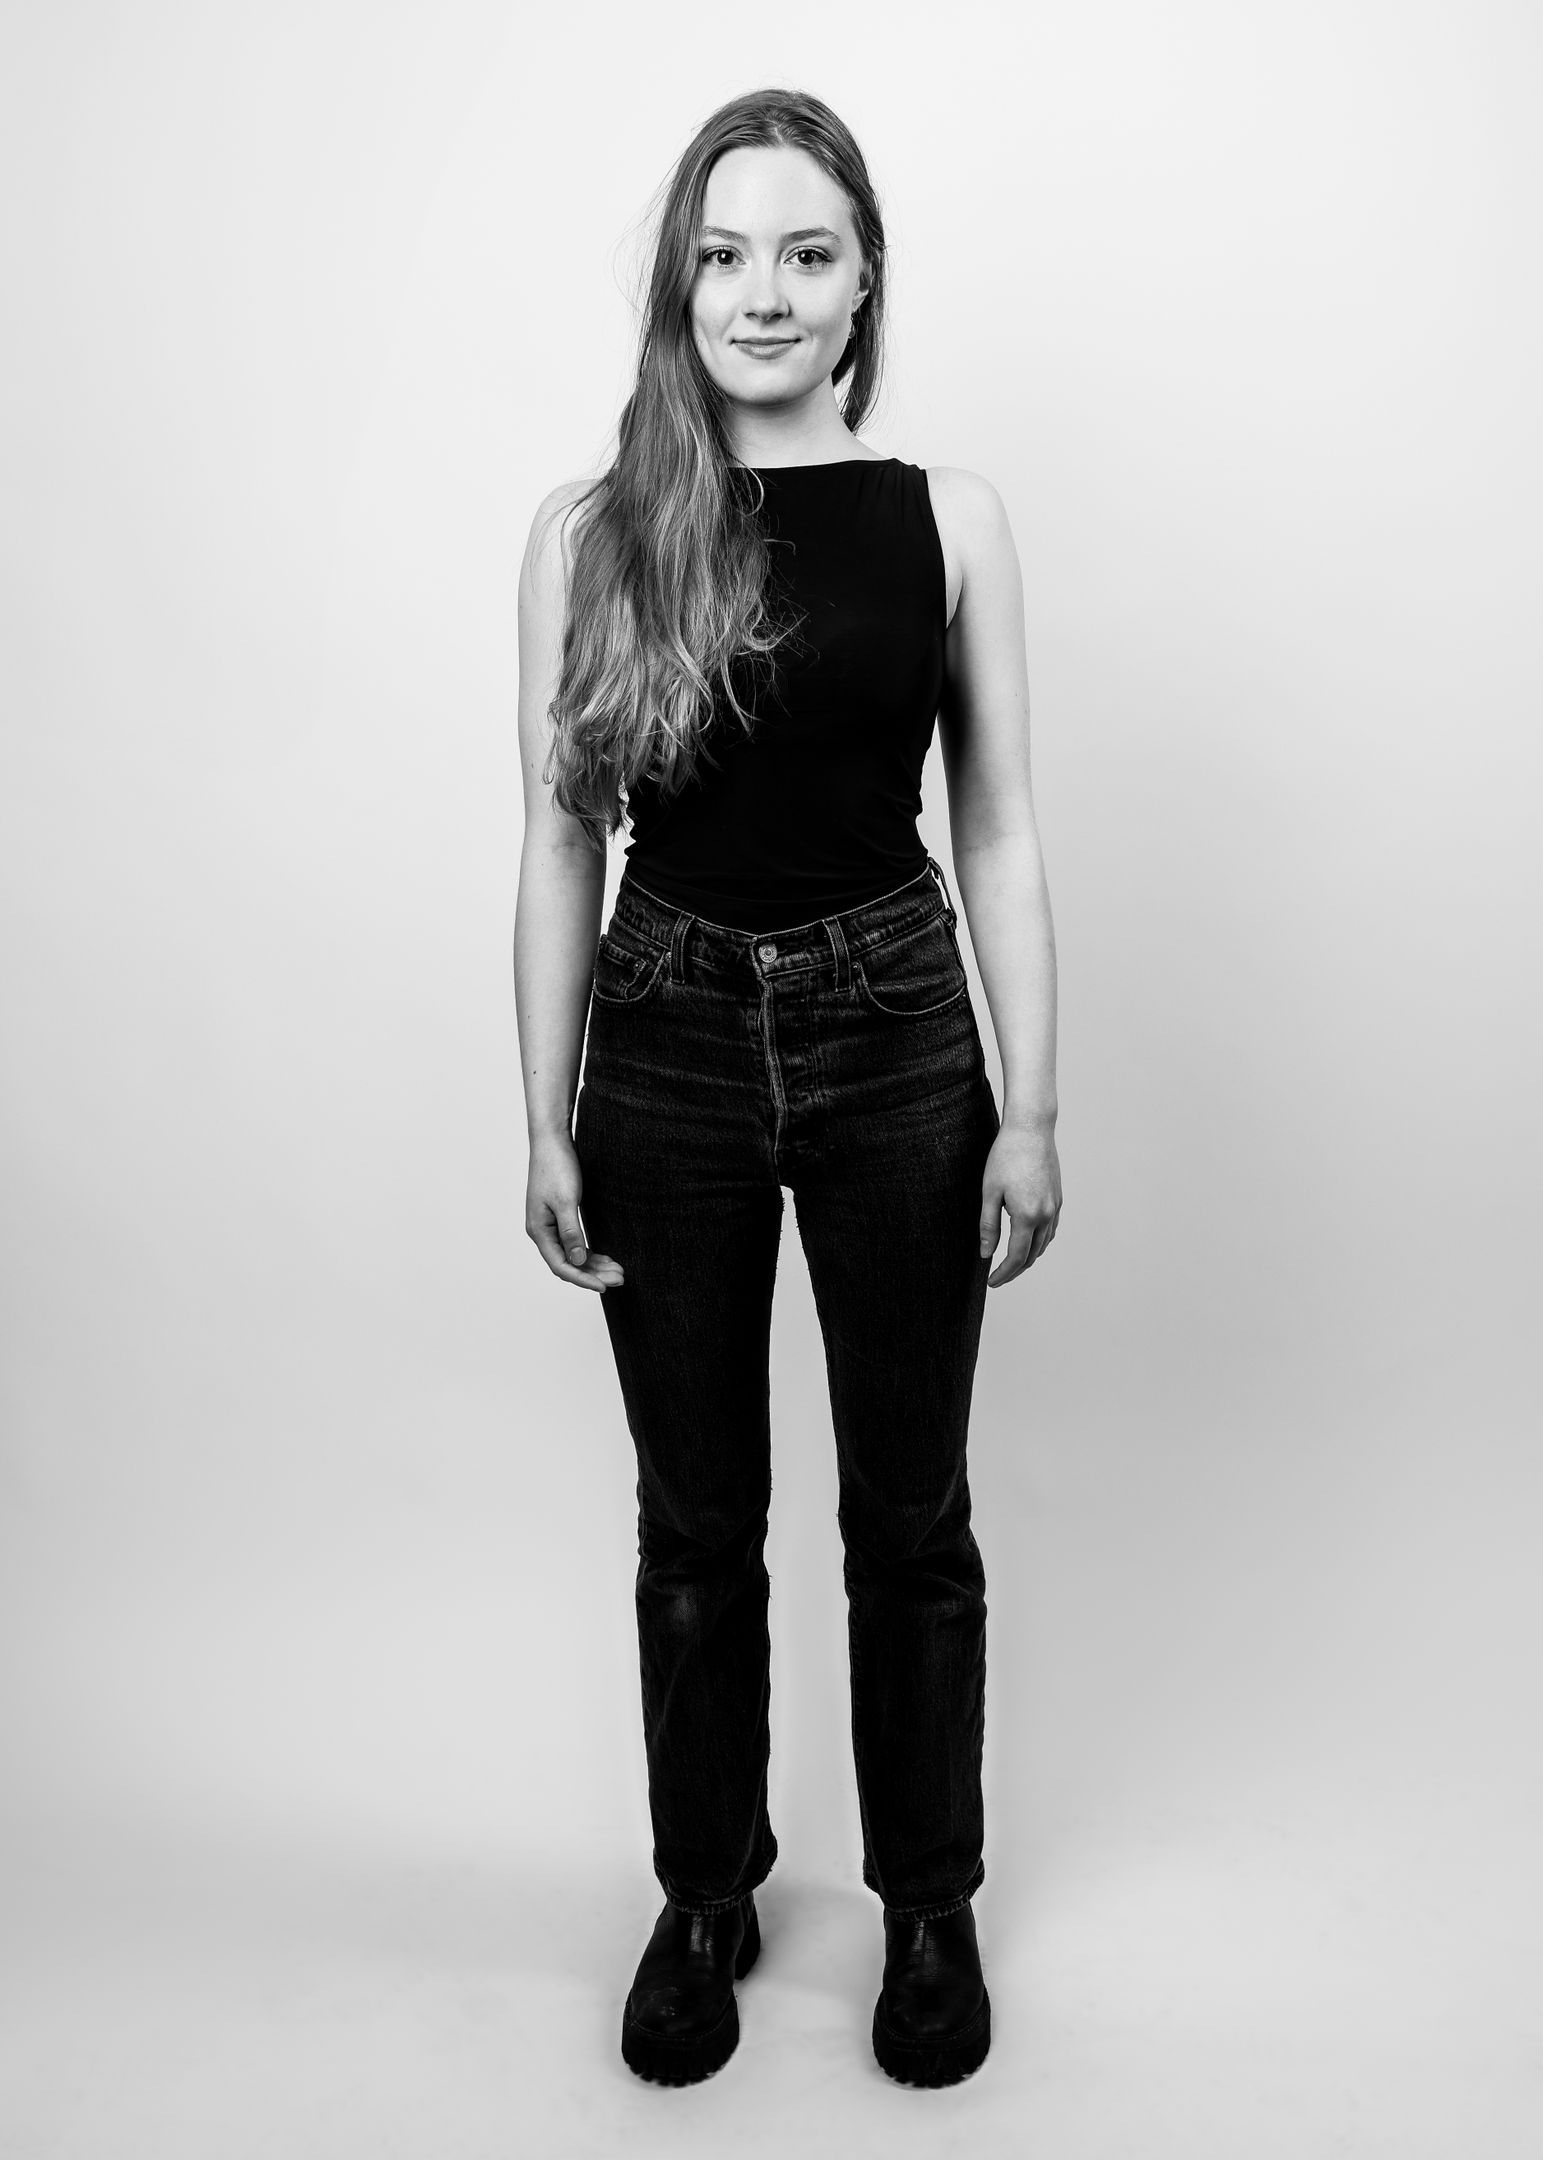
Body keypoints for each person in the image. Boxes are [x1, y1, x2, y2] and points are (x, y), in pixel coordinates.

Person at [512, 86, 1060, 2090]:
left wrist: (1034, 1101)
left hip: (895, 1025)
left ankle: (929, 1901)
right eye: (726, 253)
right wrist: (543, 1112)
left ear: (861, 286)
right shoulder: (590, 532)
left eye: (806, 253)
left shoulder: (949, 518)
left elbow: (996, 827)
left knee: (910, 1514)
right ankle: (705, 1892)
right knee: (694, 1521)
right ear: (681, 280)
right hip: (660, 1037)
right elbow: (557, 844)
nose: (763, 291)